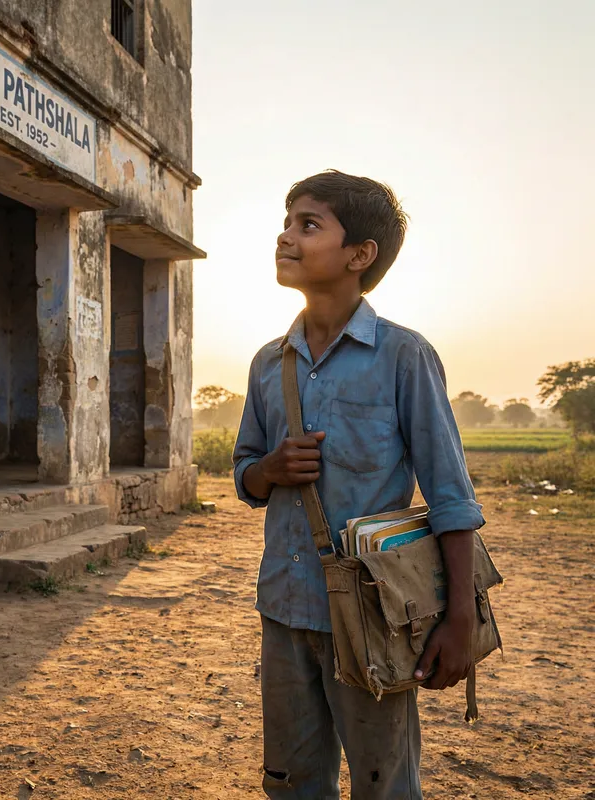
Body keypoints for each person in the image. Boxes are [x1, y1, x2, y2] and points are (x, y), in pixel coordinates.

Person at [232, 170, 484, 799]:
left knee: (384, 782)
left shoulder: (405, 357)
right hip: (284, 610)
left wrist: (459, 619)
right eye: (287, 221)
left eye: (308, 224)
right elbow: (245, 476)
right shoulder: (269, 362)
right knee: (290, 782)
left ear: (359, 255)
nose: (286, 236)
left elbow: (451, 499)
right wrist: (269, 470)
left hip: (373, 618)